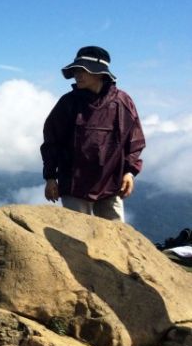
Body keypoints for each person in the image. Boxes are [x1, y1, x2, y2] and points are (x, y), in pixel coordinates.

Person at [40, 46, 145, 221]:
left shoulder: (122, 102)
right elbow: (52, 141)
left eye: (83, 70)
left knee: (116, 239)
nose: (77, 75)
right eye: (76, 70)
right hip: (74, 187)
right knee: (76, 238)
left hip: (112, 186)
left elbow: (134, 141)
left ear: (100, 74)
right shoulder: (68, 103)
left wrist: (129, 172)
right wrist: (50, 177)